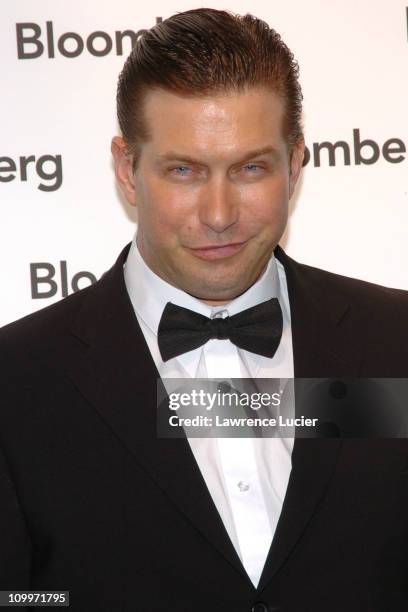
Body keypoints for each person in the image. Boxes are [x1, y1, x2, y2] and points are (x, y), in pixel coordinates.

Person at [1, 7, 407, 612]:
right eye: (184, 170)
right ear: (127, 169)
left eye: (250, 168)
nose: (219, 214)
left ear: (295, 165)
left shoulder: (395, 342)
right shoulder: (16, 380)